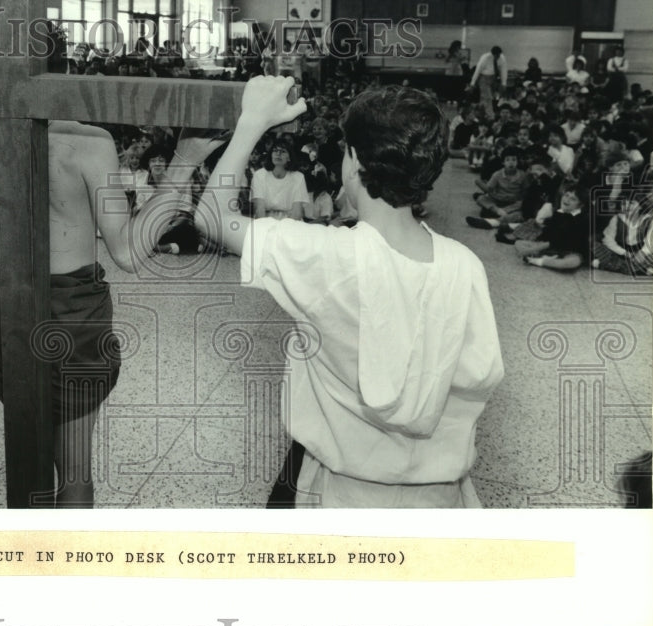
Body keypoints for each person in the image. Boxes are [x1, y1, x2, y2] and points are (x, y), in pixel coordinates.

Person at [0, 49, 222, 507]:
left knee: (29, 457)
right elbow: (128, 252)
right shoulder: (90, 143)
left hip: (13, 309)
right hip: (74, 314)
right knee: (73, 470)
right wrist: (186, 159)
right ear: (66, 78)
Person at [197, 77, 504, 507]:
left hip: (343, 496)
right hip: (438, 501)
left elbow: (212, 217)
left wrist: (252, 124)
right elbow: (477, 376)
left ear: (354, 160)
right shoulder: (465, 265)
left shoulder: (327, 255)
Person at [250, 138, 309, 220]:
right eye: (275, 151)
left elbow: (297, 212)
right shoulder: (259, 175)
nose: (278, 154)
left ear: (289, 157)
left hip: (291, 222)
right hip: (265, 221)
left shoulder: (298, 177)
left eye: (283, 151)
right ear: (271, 155)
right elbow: (259, 210)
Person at [470, 46, 508, 120]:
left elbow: (503, 70)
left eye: (498, 55)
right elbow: (477, 70)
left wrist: (504, 83)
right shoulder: (485, 58)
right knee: (488, 97)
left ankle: (480, 114)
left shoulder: (502, 58)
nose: (497, 57)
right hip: (483, 78)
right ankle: (490, 116)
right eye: (496, 55)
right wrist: (472, 83)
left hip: (494, 78)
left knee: (486, 99)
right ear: (492, 54)